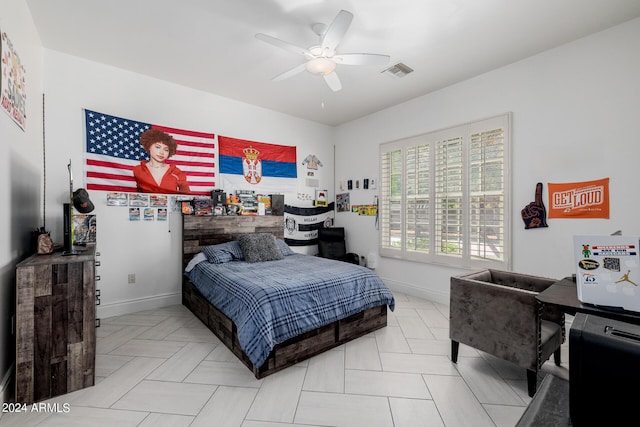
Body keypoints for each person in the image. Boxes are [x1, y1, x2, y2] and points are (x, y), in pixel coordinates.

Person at [133, 129, 191, 194]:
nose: (161, 152)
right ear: (149, 146)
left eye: (166, 150)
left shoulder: (176, 172)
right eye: (157, 147)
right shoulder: (138, 170)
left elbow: (187, 197)